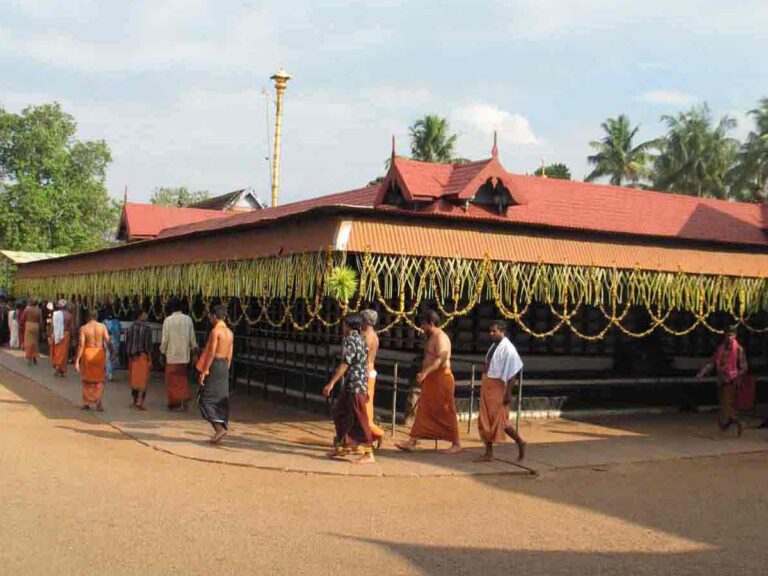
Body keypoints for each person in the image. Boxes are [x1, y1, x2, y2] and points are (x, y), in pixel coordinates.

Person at [396, 310, 461, 454]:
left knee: (446, 410)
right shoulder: (432, 336)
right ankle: (413, 441)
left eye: (424, 324)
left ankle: (456, 443)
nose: (422, 328)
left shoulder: (441, 338)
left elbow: (440, 359)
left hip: (441, 378)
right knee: (424, 410)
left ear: (431, 324)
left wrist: (425, 372)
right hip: (432, 379)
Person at [322, 314, 375, 464]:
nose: (342, 328)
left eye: (344, 325)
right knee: (339, 412)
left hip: (356, 384)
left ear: (349, 325)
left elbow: (346, 363)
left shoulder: (351, 339)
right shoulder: (360, 339)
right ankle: (343, 444)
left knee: (360, 417)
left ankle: (368, 451)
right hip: (353, 383)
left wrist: (332, 382)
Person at [475, 320, 527, 462]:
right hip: (488, 384)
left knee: (500, 420)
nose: (491, 334)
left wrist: (508, 392)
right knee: (485, 420)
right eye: (490, 331)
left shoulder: (509, 348)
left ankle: (520, 441)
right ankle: (488, 452)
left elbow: (512, 372)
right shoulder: (494, 346)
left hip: (498, 386)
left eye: (494, 331)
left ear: (502, 331)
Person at [697, 327, 748, 436]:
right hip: (722, 379)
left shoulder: (739, 349)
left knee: (726, 404)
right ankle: (732, 422)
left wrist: (734, 373)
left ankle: (733, 422)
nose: (729, 338)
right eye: (728, 335)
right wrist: (702, 373)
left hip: (733, 381)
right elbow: (712, 362)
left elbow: (744, 367)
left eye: (732, 335)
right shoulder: (721, 349)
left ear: (735, 336)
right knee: (724, 403)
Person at [196, 305, 234, 444]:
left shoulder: (215, 332)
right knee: (220, 396)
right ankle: (220, 427)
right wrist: (225, 369)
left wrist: (205, 371)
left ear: (214, 316)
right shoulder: (230, 333)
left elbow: (211, 353)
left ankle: (219, 428)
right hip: (224, 365)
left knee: (205, 398)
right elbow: (230, 354)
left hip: (215, 363)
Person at [160, 298, 197, 411]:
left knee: (171, 381)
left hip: (171, 355)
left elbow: (165, 339)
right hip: (184, 355)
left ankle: (176, 402)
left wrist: (162, 352)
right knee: (182, 378)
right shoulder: (188, 320)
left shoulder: (168, 320)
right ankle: (182, 400)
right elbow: (192, 338)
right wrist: (194, 350)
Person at [74, 309, 110, 411]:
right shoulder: (102, 327)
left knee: (87, 379)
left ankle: (86, 403)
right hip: (99, 353)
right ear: (97, 316)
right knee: (99, 380)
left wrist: (77, 361)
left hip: (88, 353)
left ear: (87, 317)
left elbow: (81, 345)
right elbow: (108, 340)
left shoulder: (84, 328)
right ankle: (99, 403)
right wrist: (111, 351)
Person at [360, 309, 385, 449]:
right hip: (370, 372)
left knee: (363, 410)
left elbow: (361, 358)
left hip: (365, 374)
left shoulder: (367, 337)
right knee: (364, 408)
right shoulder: (374, 336)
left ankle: (378, 433)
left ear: (365, 322)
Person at [126, 309, 153, 410]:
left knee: (134, 381)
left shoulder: (130, 328)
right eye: (145, 313)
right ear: (141, 315)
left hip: (133, 358)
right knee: (143, 380)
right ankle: (140, 401)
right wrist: (150, 359)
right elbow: (148, 345)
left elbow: (127, 343)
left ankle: (134, 400)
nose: (146, 315)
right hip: (143, 357)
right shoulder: (146, 328)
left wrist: (129, 355)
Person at [49, 299, 73, 377]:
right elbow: (71, 327)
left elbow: (52, 326)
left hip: (56, 334)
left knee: (57, 351)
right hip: (66, 334)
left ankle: (58, 367)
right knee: (64, 353)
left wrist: (50, 335)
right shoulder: (69, 315)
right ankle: (63, 370)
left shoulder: (55, 314)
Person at [23, 299, 41, 365]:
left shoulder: (27, 309)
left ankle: (29, 358)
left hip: (28, 325)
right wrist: (41, 329)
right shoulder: (39, 310)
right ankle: (34, 357)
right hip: (36, 325)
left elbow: (23, 318)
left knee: (28, 343)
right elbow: (40, 320)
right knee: (35, 343)